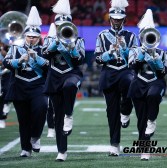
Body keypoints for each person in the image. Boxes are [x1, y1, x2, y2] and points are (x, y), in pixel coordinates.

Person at [42, 0, 85, 161]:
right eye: (59, 26)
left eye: (64, 26)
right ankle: (62, 151)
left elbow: (79, 60)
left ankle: (69, 114)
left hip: (71, 73)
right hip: (54, 77)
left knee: (70, 86)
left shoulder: (78, 40)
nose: (62, 29)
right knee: (57, 116)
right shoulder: (49, 39)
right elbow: (45, 55)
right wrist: (55, 43)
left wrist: (71, 47)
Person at [3, 6, 48, 157]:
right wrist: (19, 60)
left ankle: (35, 136)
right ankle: (25, 149)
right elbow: (7, 63)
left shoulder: (44, 50)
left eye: (34, 37)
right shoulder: (15, 48)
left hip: (38, 86)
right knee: (23, 119)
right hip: (19, 86)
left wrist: (36, 58)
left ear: (38, 38)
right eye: (29, 36)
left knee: (41, 109)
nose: (31, 39)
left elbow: (49, 68)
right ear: (25, 36)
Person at [94, 0, 137, 156]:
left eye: (119, 19)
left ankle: (126, 111)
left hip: (125, 71)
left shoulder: (131, 36)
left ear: (124, 20)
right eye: (114, 19)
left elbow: (135, 58)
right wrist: (110, 52)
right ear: (110, 19)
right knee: (111, 111)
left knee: (129, 82)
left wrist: (125, 49)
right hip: (109, 73)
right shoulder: (102, 35)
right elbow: (98, 59)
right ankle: (114, 143)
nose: (117, 22)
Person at [128, 9, 167, 160]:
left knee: (153, 96)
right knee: (140, 119)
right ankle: (144, 148)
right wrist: (142, 53)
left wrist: (155, 59)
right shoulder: (135, 51)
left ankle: (152, 120)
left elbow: (163, 73)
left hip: (156, 82)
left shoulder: (162, 53)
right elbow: (133, 66)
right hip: (139, 84)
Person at [0, 41, 11, 128]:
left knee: (6, 92)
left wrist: (5, 54)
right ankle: (1, 118)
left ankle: (2, 117)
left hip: (6, 73)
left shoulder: (7, 45)